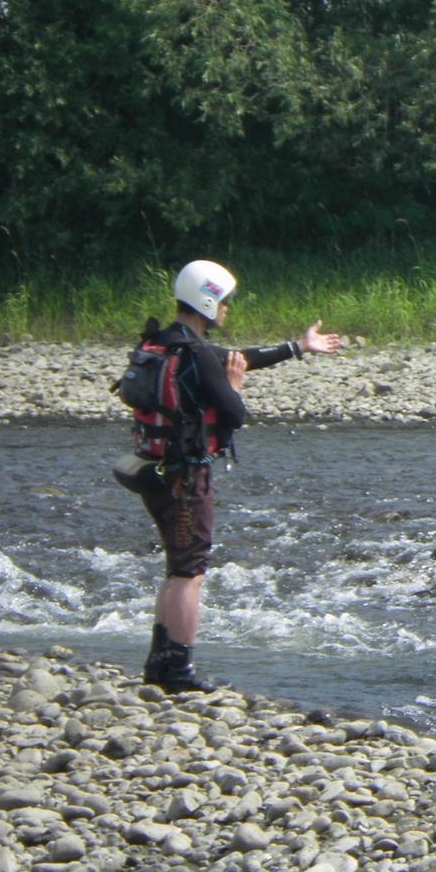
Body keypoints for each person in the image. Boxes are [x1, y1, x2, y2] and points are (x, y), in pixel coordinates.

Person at [124, 260, 344, 692]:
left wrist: (299, 347)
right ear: (207, 299)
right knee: (191, 572)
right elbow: (234, 412)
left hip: (156, 469)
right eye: (223, 301)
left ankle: (160, 662)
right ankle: (180, 670)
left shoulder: (164, 343)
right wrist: (236, 387)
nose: (226, 309)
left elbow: (238, 359)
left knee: (176, 568)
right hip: (187, 477)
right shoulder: (197, 353)